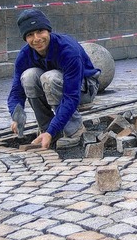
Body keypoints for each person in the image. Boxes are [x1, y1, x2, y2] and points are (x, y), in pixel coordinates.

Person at [7, 9, 100, 149]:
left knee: (50, 78)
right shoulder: (25, 55)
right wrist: (16, 114)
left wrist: (53, 128)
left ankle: (74, 130)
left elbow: (71, 97)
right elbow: (16, 92)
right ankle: (46, 130)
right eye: (30, 35)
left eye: (40, 31)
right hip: (53, 86)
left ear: (48, 31)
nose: (37, 38)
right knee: (28, 76)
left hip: (84, 88)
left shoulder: (68, 51)